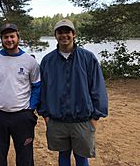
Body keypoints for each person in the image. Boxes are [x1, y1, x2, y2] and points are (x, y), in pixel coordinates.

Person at [37, 19, 108, 166]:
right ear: (55, 35)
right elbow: (42, 90)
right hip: (57, 121)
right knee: (63, 157)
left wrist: (95, 118)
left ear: (74, 34)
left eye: (67, 32)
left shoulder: (88, 58)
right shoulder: (48, 61)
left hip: (82, 120)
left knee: (82, 158)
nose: (64, 35)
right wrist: (45, 115)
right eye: (60, 32)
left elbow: (98, 88)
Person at [0, 23, 41, 166]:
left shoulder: (29, 61)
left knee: (25, 156)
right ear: (1, 39)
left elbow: (37, 86)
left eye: (12, 36)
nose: (9, 40)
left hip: (22, 116)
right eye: (6, 37)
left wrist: (30, 108)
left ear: (18, 38)